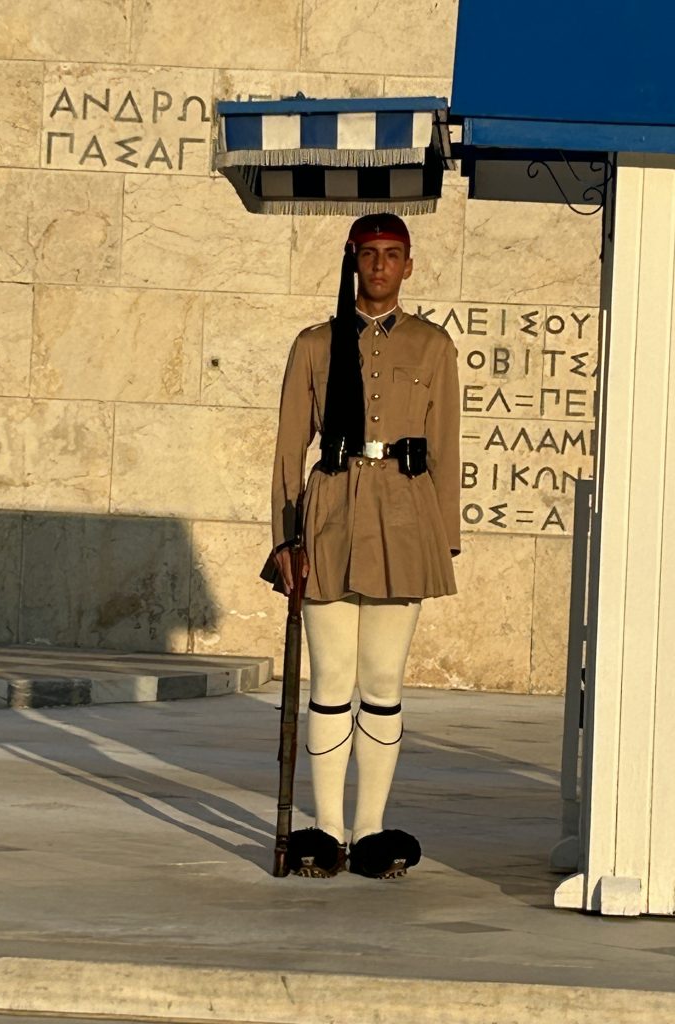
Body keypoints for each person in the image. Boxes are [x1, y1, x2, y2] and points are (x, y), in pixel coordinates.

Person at [264, 213, 460, 880]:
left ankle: (371, 832)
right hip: (330, 519)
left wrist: (445, 537)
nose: (380, 266)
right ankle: (325, 829)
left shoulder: (434, 347)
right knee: (330, 682)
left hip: (404, 520)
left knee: (382, 683)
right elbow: (290, 450)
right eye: (370, 254)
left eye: (393, 255)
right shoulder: (316, 344)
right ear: (353, 260)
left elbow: (446, 451)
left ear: (409, 265)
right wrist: (286, 538)